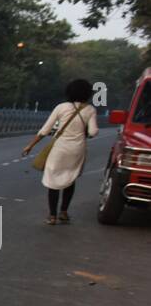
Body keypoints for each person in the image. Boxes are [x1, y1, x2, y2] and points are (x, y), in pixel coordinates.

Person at [22, 79, 100, 225]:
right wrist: (87, 132)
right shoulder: (90, 110)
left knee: (53, 181)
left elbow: (45, 130)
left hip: (60, 148)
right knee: (70, 178)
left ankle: (52, 216)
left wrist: (30, 146)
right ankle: (64, 212)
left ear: (69, 92)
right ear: (88, 94)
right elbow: (93, 131)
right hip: (78, 149)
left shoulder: (61, 107)